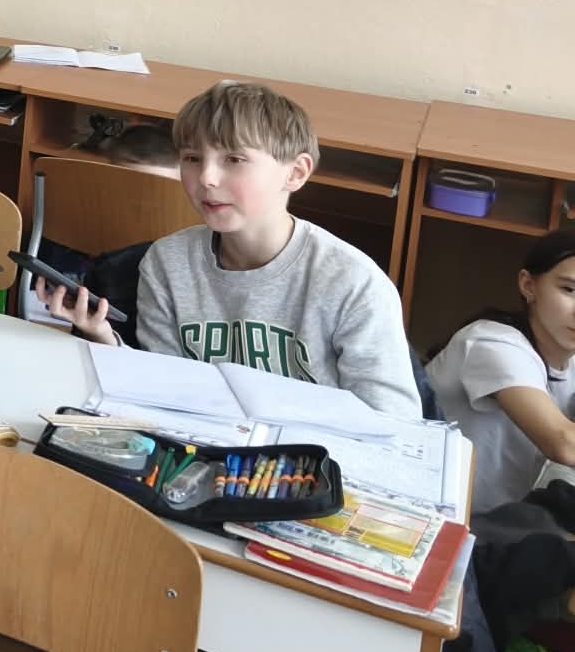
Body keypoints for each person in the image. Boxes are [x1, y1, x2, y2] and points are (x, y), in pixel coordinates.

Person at [40, 80, 418, 417]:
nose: (206, 177)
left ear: (295, 173)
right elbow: (164, 390)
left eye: (234, 159)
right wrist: (105, 339)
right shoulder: (167, 263)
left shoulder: (353, 283)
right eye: (192, 158)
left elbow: (395, 423)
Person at [427, 229, 575, 510]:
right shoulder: (494, 344)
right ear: (528, 285)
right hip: (424, 515)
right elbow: (563, 443)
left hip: (490, 519)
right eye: (569, 290)